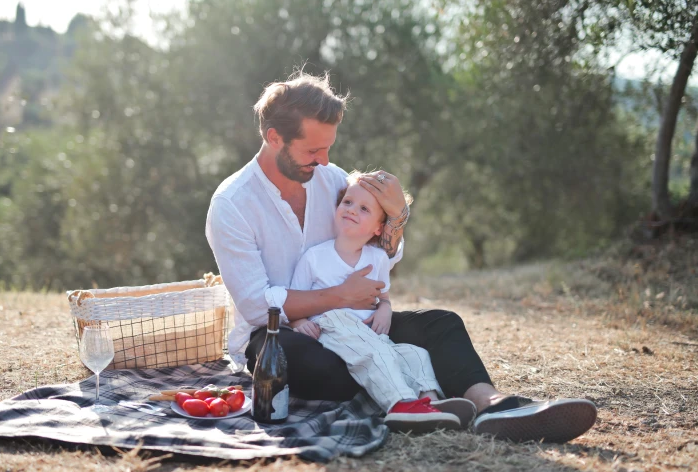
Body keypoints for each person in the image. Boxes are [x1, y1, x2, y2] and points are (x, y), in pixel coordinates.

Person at [205, 71, 597, 442]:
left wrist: (397, 217)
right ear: (274, 138)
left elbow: (383, 255)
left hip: (356, 324)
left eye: (329, 148)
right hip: (282, 334)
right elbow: (258, 307)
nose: (325, 160)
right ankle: (411, 397)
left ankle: (493, 406)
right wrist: (340, 295)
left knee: (442, 325)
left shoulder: (332, 179)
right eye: (313, 150)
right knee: (318, 365)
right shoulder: (232, 205)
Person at [288, 171, 474, 432]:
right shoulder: (315, 257)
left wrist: (385, 310)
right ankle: (400, 404)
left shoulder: (377, 259)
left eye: (364, 208)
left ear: (378, 228)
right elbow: (295, 300)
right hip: (332, 327)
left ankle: (430, 402)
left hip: (367, 332)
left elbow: (383, 298)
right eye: (348, 202)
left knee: (413, 353)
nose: (352, 210)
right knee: (375, 354)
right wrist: (300, 322)